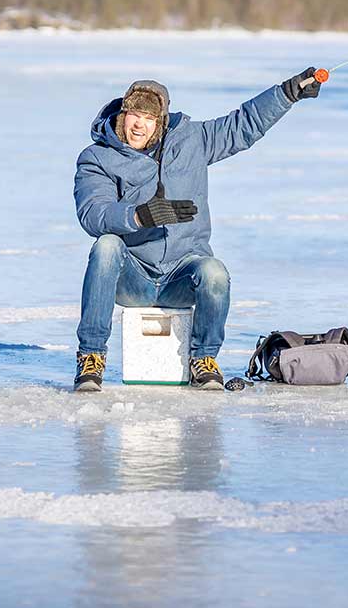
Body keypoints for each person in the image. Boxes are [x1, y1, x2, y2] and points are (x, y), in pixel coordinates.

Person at [72, 69, 321, 391]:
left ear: (160, 121)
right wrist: (139, 216)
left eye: (148, 118)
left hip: (182, 274)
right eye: (134, 114)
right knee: (106, 246)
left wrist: (287, 93)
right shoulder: (98, 158)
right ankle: (91, 356)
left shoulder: (192, 140)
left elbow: (243, 125)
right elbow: (93, 214)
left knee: (214, 272)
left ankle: (203, 358)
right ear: (122, 114)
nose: (139, 124)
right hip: (132, 277)